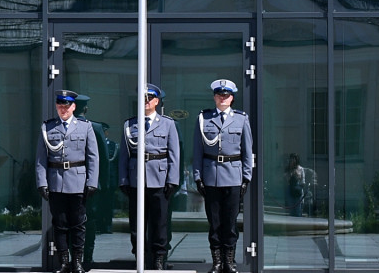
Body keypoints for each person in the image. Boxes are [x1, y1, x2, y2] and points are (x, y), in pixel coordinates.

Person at [36, 90, 100, 273]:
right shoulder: (48, 127)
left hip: (78, 181)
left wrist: (92, 182)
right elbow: (41, 159)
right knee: (60, 224)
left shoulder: (85, 127)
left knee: (78, 224)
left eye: (66, 106)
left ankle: (77, 262)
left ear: (73, 107)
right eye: (60, 105)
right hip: (56, 181)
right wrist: (42, 183)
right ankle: (64, 262)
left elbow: (93, 157)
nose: (63, 109)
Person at [192, 79, 253, 273]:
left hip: (234, 177)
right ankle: (217, 261)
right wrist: (197, 177)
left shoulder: (241, 119)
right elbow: (197, 151)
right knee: (215, 222)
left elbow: (247, 151)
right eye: (219, 95)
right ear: (214, 97)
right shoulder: (204, 119)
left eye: (226, 95)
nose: (222, 98)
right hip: (211, 177)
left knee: (231, 222)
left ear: (232, 98)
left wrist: (246, 178)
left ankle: (230, 261)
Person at [119, 83, 180, 270]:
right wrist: (123, 180)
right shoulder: (130, 124)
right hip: (136, 179)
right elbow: (124, 155)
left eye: (149, 99)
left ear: (156, 101)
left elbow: (174, 154)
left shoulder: (168, 124)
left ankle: (159, 258)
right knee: (137, 224)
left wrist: (172, 180)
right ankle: (140, 257)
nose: (145, 102)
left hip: (160, 179)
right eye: (143, 99)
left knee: (160, 222)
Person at [73, 94, 110, 269]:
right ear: (85, 109)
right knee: (88, 221)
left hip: (86, 184)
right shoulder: (94, 127)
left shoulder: (93, 128)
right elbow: (104, 159)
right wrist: (104, 184)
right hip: (90, 183)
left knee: (81, 221)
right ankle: (85, 256)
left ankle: (82, 257)